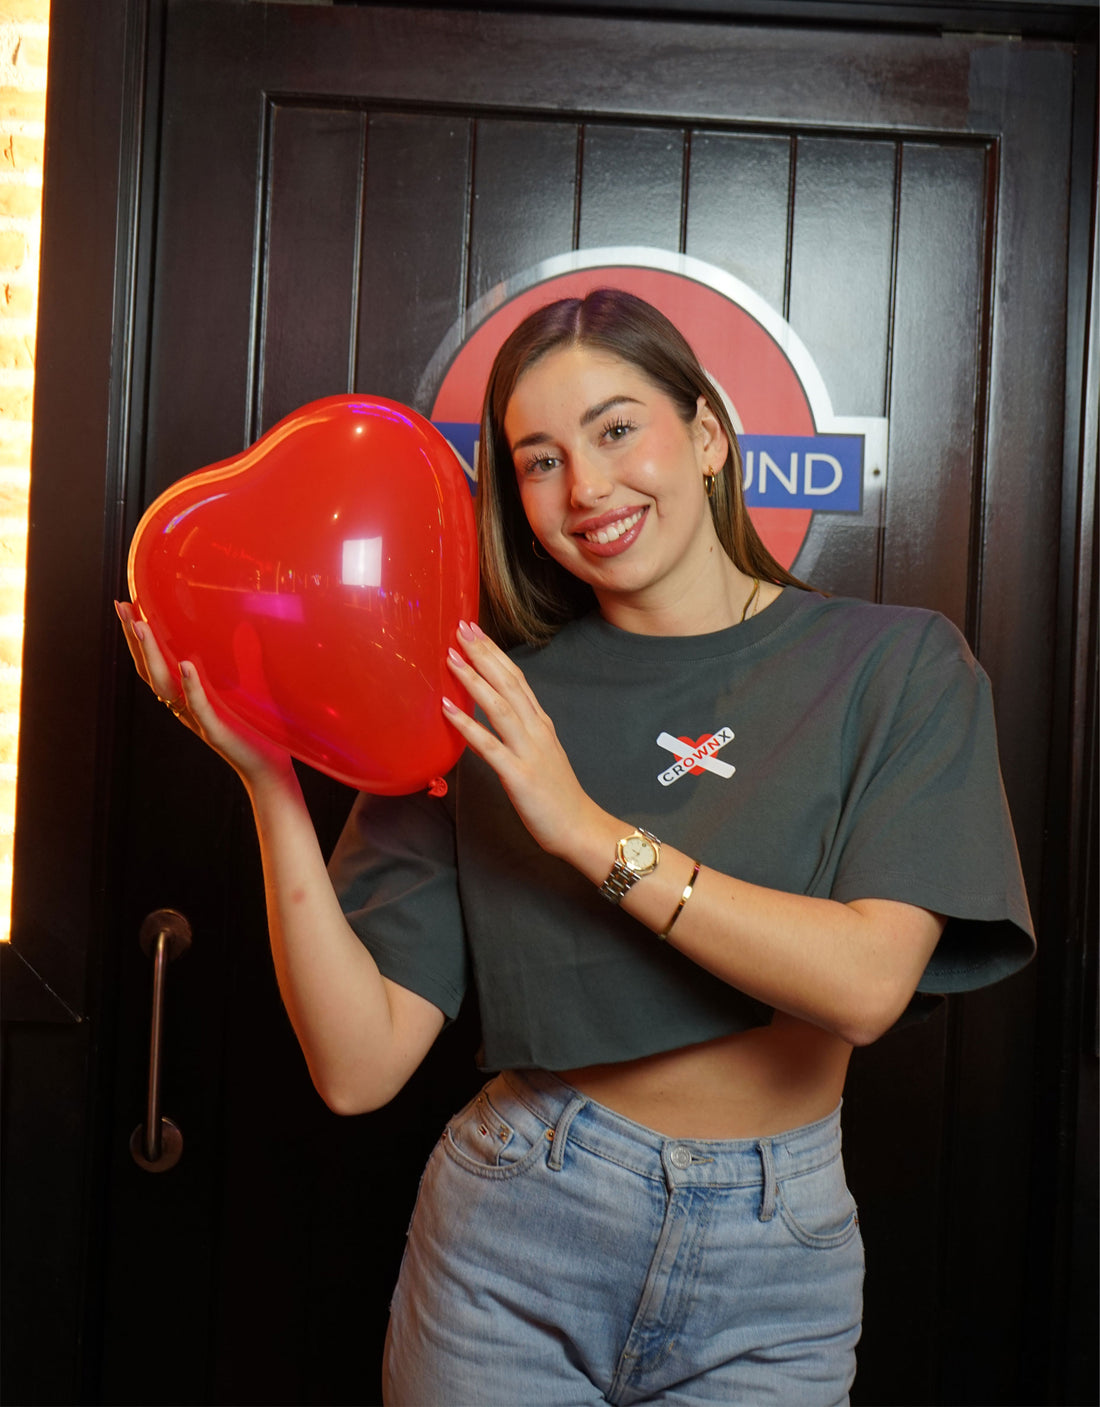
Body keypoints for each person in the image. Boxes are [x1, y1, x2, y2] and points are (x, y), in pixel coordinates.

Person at [117, 288, 1034, 1406]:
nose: (586, 489)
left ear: (703, 437)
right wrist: (267, 782)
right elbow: (358, 1070)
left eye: (614, 429)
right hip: (516, 1231)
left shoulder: (894, 667)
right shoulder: (478, 700)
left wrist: (584, 829)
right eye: (537, 460)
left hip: (774, 1258)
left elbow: (864, 985)